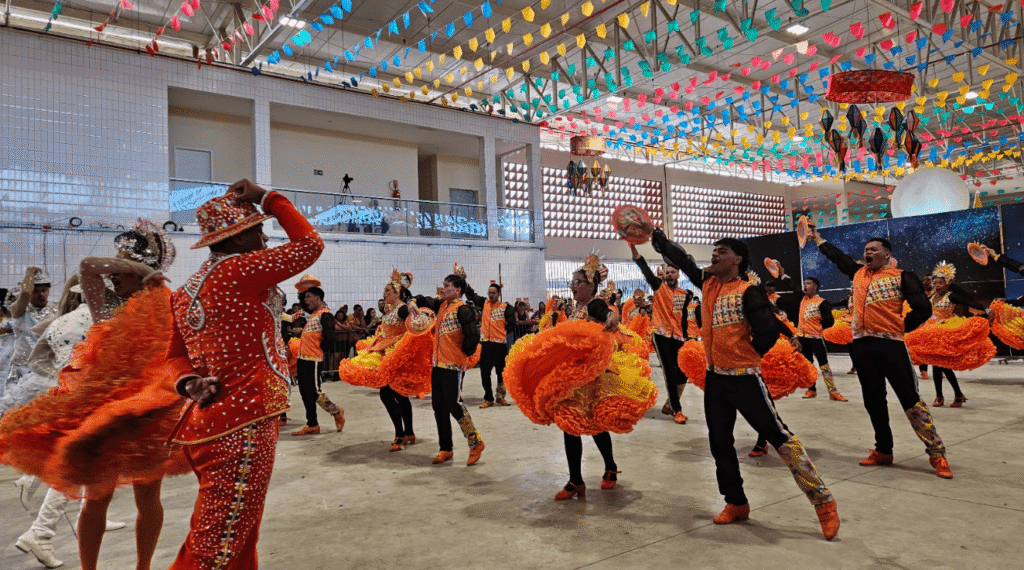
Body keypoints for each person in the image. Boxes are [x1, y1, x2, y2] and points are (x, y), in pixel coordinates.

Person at [1, 221, 186, 570]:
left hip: (149, 417)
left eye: (121, 267)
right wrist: (139, 266)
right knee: (95, 499)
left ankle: (143, 568)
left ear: (142, 271)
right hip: (104, 419)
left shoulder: (168, 305)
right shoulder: (105, 310)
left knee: (148, 498)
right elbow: (88, 267)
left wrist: (148, 272)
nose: (112, 273)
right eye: (114, 266)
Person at [165, 179, 323, 569]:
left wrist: (189, 382)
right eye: (258, 232)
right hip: (244, 420)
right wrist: (269, 198)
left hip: (210, 422)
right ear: (236, 240)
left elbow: (173, 356)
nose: (266, 241)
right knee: (215, 547)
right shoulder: (240, 269)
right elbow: (310, 245)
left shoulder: (186, 290)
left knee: (237, 530)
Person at [651, 229, 839, 540]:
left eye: (721, 251)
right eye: (714, 250)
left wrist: (749, 354)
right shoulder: (708, 284)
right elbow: (683, 261)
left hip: (746, 379)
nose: (714, 254)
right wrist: (661, 242)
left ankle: (823, 501)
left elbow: (766, 330)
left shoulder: (748, 292)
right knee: (719, 443)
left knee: (779, 436)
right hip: (715, 380)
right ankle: (736, 502)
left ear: (737, 260)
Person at [807, 226, 952, 479]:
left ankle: (937, 453)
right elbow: (839, 258)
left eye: (873, 249)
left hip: (891, 345)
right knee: (873, 400)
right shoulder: (858, 274)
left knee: (910, 400)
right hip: (862, 345)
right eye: (865, 250)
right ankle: (883, 450)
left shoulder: (902, 276)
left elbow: (922, 309)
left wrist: (901, 327)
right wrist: (818, 239)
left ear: (886, 255)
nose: (867, 252)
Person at [337, 269, 431, 451]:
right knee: (399, 395)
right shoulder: (389, 311)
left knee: (389, 395)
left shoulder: (403, 308)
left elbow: (415, 327)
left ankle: (400, 435)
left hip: (397, 357)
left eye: (388, 291)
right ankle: (408, 433)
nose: (385, 294)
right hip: (386, 355)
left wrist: (412, 305)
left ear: (397, 293)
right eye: (384, 291)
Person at [409, 263, 484, 466]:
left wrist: (461, 355)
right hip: (438, 365)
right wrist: (412, 301)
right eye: (443, 285)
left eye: (447, 285)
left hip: (453, 366)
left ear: (458, 290)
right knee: (438, 407)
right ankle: (446, 448)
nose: (443, 288)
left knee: (454, 404)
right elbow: (424, 299)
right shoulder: (441, 306)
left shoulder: (464, 309)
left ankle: (475, 441)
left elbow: (473, 336)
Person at [630, 243, 694, 424]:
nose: (670, 275)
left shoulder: (686, 294)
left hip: (679, 336)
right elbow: (645, 270)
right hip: (660, 334)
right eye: (667, 272)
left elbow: (682, 319)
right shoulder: (658, 287)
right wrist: (635, 252)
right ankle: (677, 409)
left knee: (683, 372)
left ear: (678, 275)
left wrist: (687, 338)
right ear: (664, 275)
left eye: (673, 272)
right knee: (669, 373)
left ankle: (669, 405)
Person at [921, 262, 990, 407]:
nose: (937, 285)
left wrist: (985, 309)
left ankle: (955, 395)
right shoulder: (932, 297)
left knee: (944, 365)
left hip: (946, 332)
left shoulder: (951, 296)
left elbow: (968, 301)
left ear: (947, 284)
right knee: (936, 365)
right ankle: (942, 396)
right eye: (935, 282)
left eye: (940, 283)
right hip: (932, 333)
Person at [773, 270, 844, 401]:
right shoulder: (802, 298)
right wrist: (782, 274)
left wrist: (818, 325)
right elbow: (792, 285)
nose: (805, 286)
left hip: (816, 338)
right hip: (802, 338)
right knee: (807, 365)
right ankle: (811, 389)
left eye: (809, 283)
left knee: (824, 365)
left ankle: (833, 392)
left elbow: (829, 320)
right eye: (805, 283)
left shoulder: (823, 302)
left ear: (815, 286)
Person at [291, 276, 345, 435]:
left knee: (314, 391)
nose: (306, 300)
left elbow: (331, 338)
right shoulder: (314, 314)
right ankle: (312, 424)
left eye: (308, 297)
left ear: (318, 297)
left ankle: (336, 412)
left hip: (313, 359)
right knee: (304, 392)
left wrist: (319, 350)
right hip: (302, 358)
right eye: (305, 297)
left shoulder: (326, 314)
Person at [465, 281, 515, 407]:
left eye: (494, 293)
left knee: (501, 372)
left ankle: (500, 396)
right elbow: (471, 295)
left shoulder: (506, 307)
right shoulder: (484, 303)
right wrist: (463, 280)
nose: (491, 295)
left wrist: (500, 331)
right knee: (484, 372)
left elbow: (512, 325)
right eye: (490, 293)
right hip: (486, 344)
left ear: (499, 294)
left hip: (500, 345)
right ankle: (488, 398)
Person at [4, 268, 56, 385]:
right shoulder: (21, 312)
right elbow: (25, 293)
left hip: (46, 367)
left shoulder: (55, 311)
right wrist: (30, 272)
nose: (41, 294)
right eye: (36, 291)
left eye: (44, 290)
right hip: (23, 369)